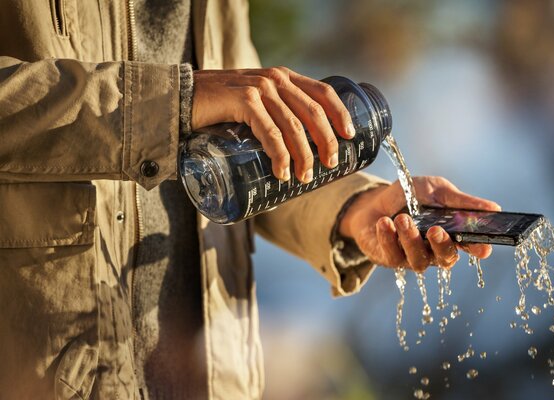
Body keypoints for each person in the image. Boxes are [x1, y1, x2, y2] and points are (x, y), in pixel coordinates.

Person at [0, 1, 500, 399]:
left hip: (214, 378)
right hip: (50, 372)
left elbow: (233, 151)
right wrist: (168, 103)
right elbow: (189, 106)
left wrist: (349, 210)